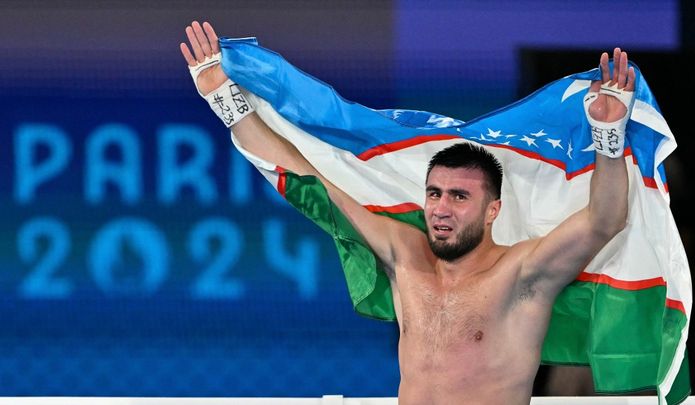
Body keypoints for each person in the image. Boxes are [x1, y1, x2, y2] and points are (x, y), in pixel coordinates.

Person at [180, 20, 634, 405]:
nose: (441, 208)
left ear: (493, 210)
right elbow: (310, 181)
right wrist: (225, 100)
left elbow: (604, 219)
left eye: (459, 197)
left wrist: (608, 136)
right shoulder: (406, 255)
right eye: (435, 194)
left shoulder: (522, 273)